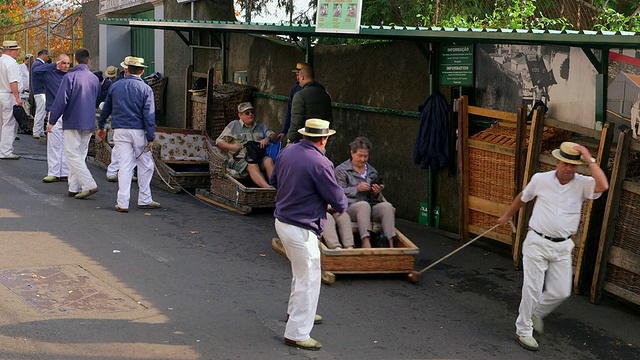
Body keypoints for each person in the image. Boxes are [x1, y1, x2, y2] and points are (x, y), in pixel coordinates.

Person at [497, 141, 609, 352]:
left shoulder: (583, 183)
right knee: (532, 289)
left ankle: (534, 313)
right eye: (565, 163)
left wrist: (588, 157)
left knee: (561, 291)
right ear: (557, 161)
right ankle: (523, 329)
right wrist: (507, 214)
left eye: (573, 165)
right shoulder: (541, 179)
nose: (569, 169)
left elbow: (603, 185)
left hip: (563, 246)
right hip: (537, 242)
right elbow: (524, 197)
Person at [270, 118, 347, 351]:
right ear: (324, 139)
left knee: (300, 273)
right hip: (302, 226)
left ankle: (299, 312)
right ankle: (297, 332)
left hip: (282, 220)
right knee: (309, 277)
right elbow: (338, 199)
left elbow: (274, 180)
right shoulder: (321, 162)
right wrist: (340, 205)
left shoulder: (288, 152)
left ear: (305, 135)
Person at [97, 56, 159, 213]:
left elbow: (106, 109)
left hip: (119, 130)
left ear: (125, 69)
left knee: (125, 165)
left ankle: (123, 202)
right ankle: (144, 199)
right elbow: (149, 115)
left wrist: (101, 126)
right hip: (138, 130)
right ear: (142, 71)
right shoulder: (146, 89)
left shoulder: (115, 86)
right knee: (146, 164)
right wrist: (150, 136)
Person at [48, 48, 101, 199]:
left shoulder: (70, 77)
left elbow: (61, 101)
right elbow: (96, 98)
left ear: (75, 60)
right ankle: (74, 186)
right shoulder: (94, 78)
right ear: (88, 61)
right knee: (80, 154)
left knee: (71, 154)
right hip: (88, 120)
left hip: (72, 119)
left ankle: (88, 184)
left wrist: (52, 121)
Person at [335, 137, 398, 248]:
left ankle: (390, 242)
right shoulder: (341, 170)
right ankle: (365, 240)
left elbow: (376, 198)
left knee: (387, 207)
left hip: (370, 206)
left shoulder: (372, 171)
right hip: (350, 207)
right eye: (360, 156)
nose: (363, 159)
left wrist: (376, 192)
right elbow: (337, 192)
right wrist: (356, 189)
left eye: (366, 156)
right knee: (363, 206)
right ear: (352, 153)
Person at [215, 102, 277, 189]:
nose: (250, 114)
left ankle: (276, 186)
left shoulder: (260, 127)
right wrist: (232, 147)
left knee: (268, 160)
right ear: (240, 115)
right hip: (239, 159)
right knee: (252, 165)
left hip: (257, 157)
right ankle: (267, 188)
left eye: (252, 112)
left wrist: (267, 139)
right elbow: (219, 141)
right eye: (247, 113)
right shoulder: (234, 125)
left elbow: (274, 136)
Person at [33, 54, 71, 183]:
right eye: (63, 63)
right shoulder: (49, 73)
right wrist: (53, 65)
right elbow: (36, 71)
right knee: (54, 144)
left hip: (68, 112)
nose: (66, 66)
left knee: (66, 144)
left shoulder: (69, 76)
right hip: (54, 111)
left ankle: (65, 172)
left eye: (68, 63)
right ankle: (54, 172)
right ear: (58, 62)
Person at [286, 66, 332, 144]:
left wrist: (290, 139)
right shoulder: (325, 95)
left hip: (304, 140)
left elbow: (296, 122)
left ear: (303, 77)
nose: (298, 80)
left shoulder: (300, 96)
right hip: (321, 139)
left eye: (299, 77)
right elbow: (330, 118)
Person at [0, 40, 23, 160]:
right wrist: (17, 97)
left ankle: (2, 148)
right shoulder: (11, 63)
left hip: (0, 93)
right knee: (9, 123)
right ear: (11, 51)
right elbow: (13, 81)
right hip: (8, 95)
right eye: (16, 50)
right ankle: (5, 151)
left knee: (1, 123)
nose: (18, 52)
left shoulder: (0, 61)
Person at [277, 62, 307, 141]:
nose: (298, 78)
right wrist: (284, 131)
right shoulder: (295, 89)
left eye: (299, 75)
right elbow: (290, 111)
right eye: (296, 75)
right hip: (296, 132)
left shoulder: (314, 90)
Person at [30, 49, 49, 139]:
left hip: (40, 90)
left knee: (42, 111)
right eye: (47, 56)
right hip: (40, 90)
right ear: (43, 55)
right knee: (40, 111)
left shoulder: (38, 64)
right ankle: (37, 130)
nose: (48, 58)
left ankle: (40, 130)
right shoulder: (38, 64)